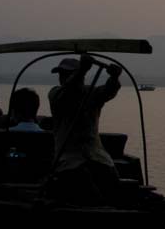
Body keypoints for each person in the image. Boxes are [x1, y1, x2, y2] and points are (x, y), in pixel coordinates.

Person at [47, 54, 123, 202]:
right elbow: (68, 92)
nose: (63, 77)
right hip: (68, 161)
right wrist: (82, 70)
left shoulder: (92, 93)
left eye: (67, 74)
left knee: (116, 193)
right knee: (90, 194)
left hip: (97, 156)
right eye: (62, 74)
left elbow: (109, 91)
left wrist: (114, 77)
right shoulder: (56, 94)